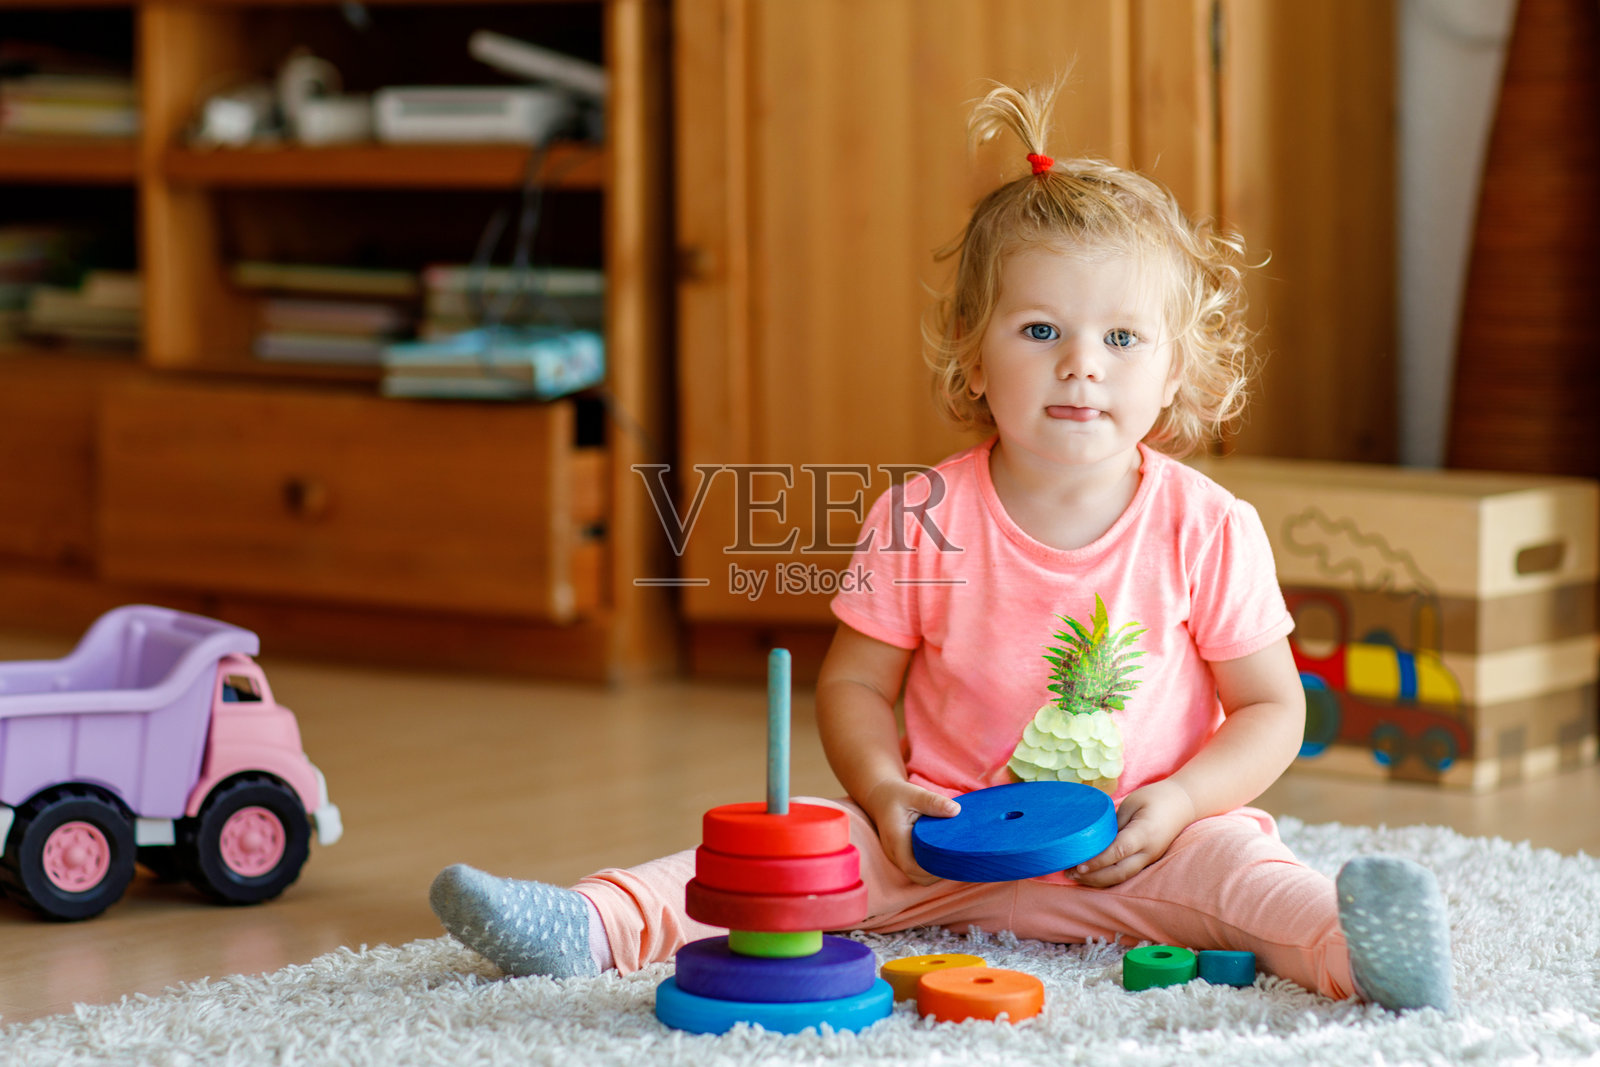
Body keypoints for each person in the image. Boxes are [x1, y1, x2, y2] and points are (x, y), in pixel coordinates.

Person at [428, 82, 1453, 1013]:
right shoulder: (921, 513)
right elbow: (855, 689)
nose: (1081, 368)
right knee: (792, 851)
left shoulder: (1207, 523)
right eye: (1040, 330)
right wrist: (883, 796)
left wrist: (1180, 799)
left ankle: (1358, 952)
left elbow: (1273, 707)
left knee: (1252, 878)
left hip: (1145, 851)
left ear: (1175, 365)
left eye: (1122, 340)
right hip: (933, 850)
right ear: (973, 344)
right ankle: (590, 922)